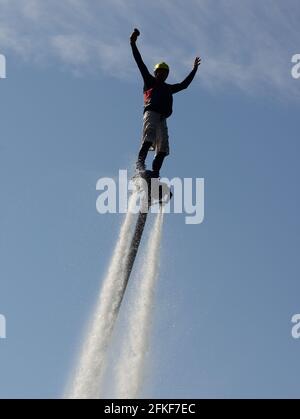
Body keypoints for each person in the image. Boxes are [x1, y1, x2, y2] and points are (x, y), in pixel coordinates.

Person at [130, 28, 201, 177]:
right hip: (151, 113)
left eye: (165, 72)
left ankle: (155, 175)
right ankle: (140, 166)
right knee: (148, 138)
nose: (162, 74)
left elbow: (184, 85)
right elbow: (140, 62)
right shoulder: (150, 81)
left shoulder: (168, 88)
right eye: (160, 71)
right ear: (156, 73)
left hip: (162, 118)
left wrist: (194, 69)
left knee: (163, 149)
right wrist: (133, 43)